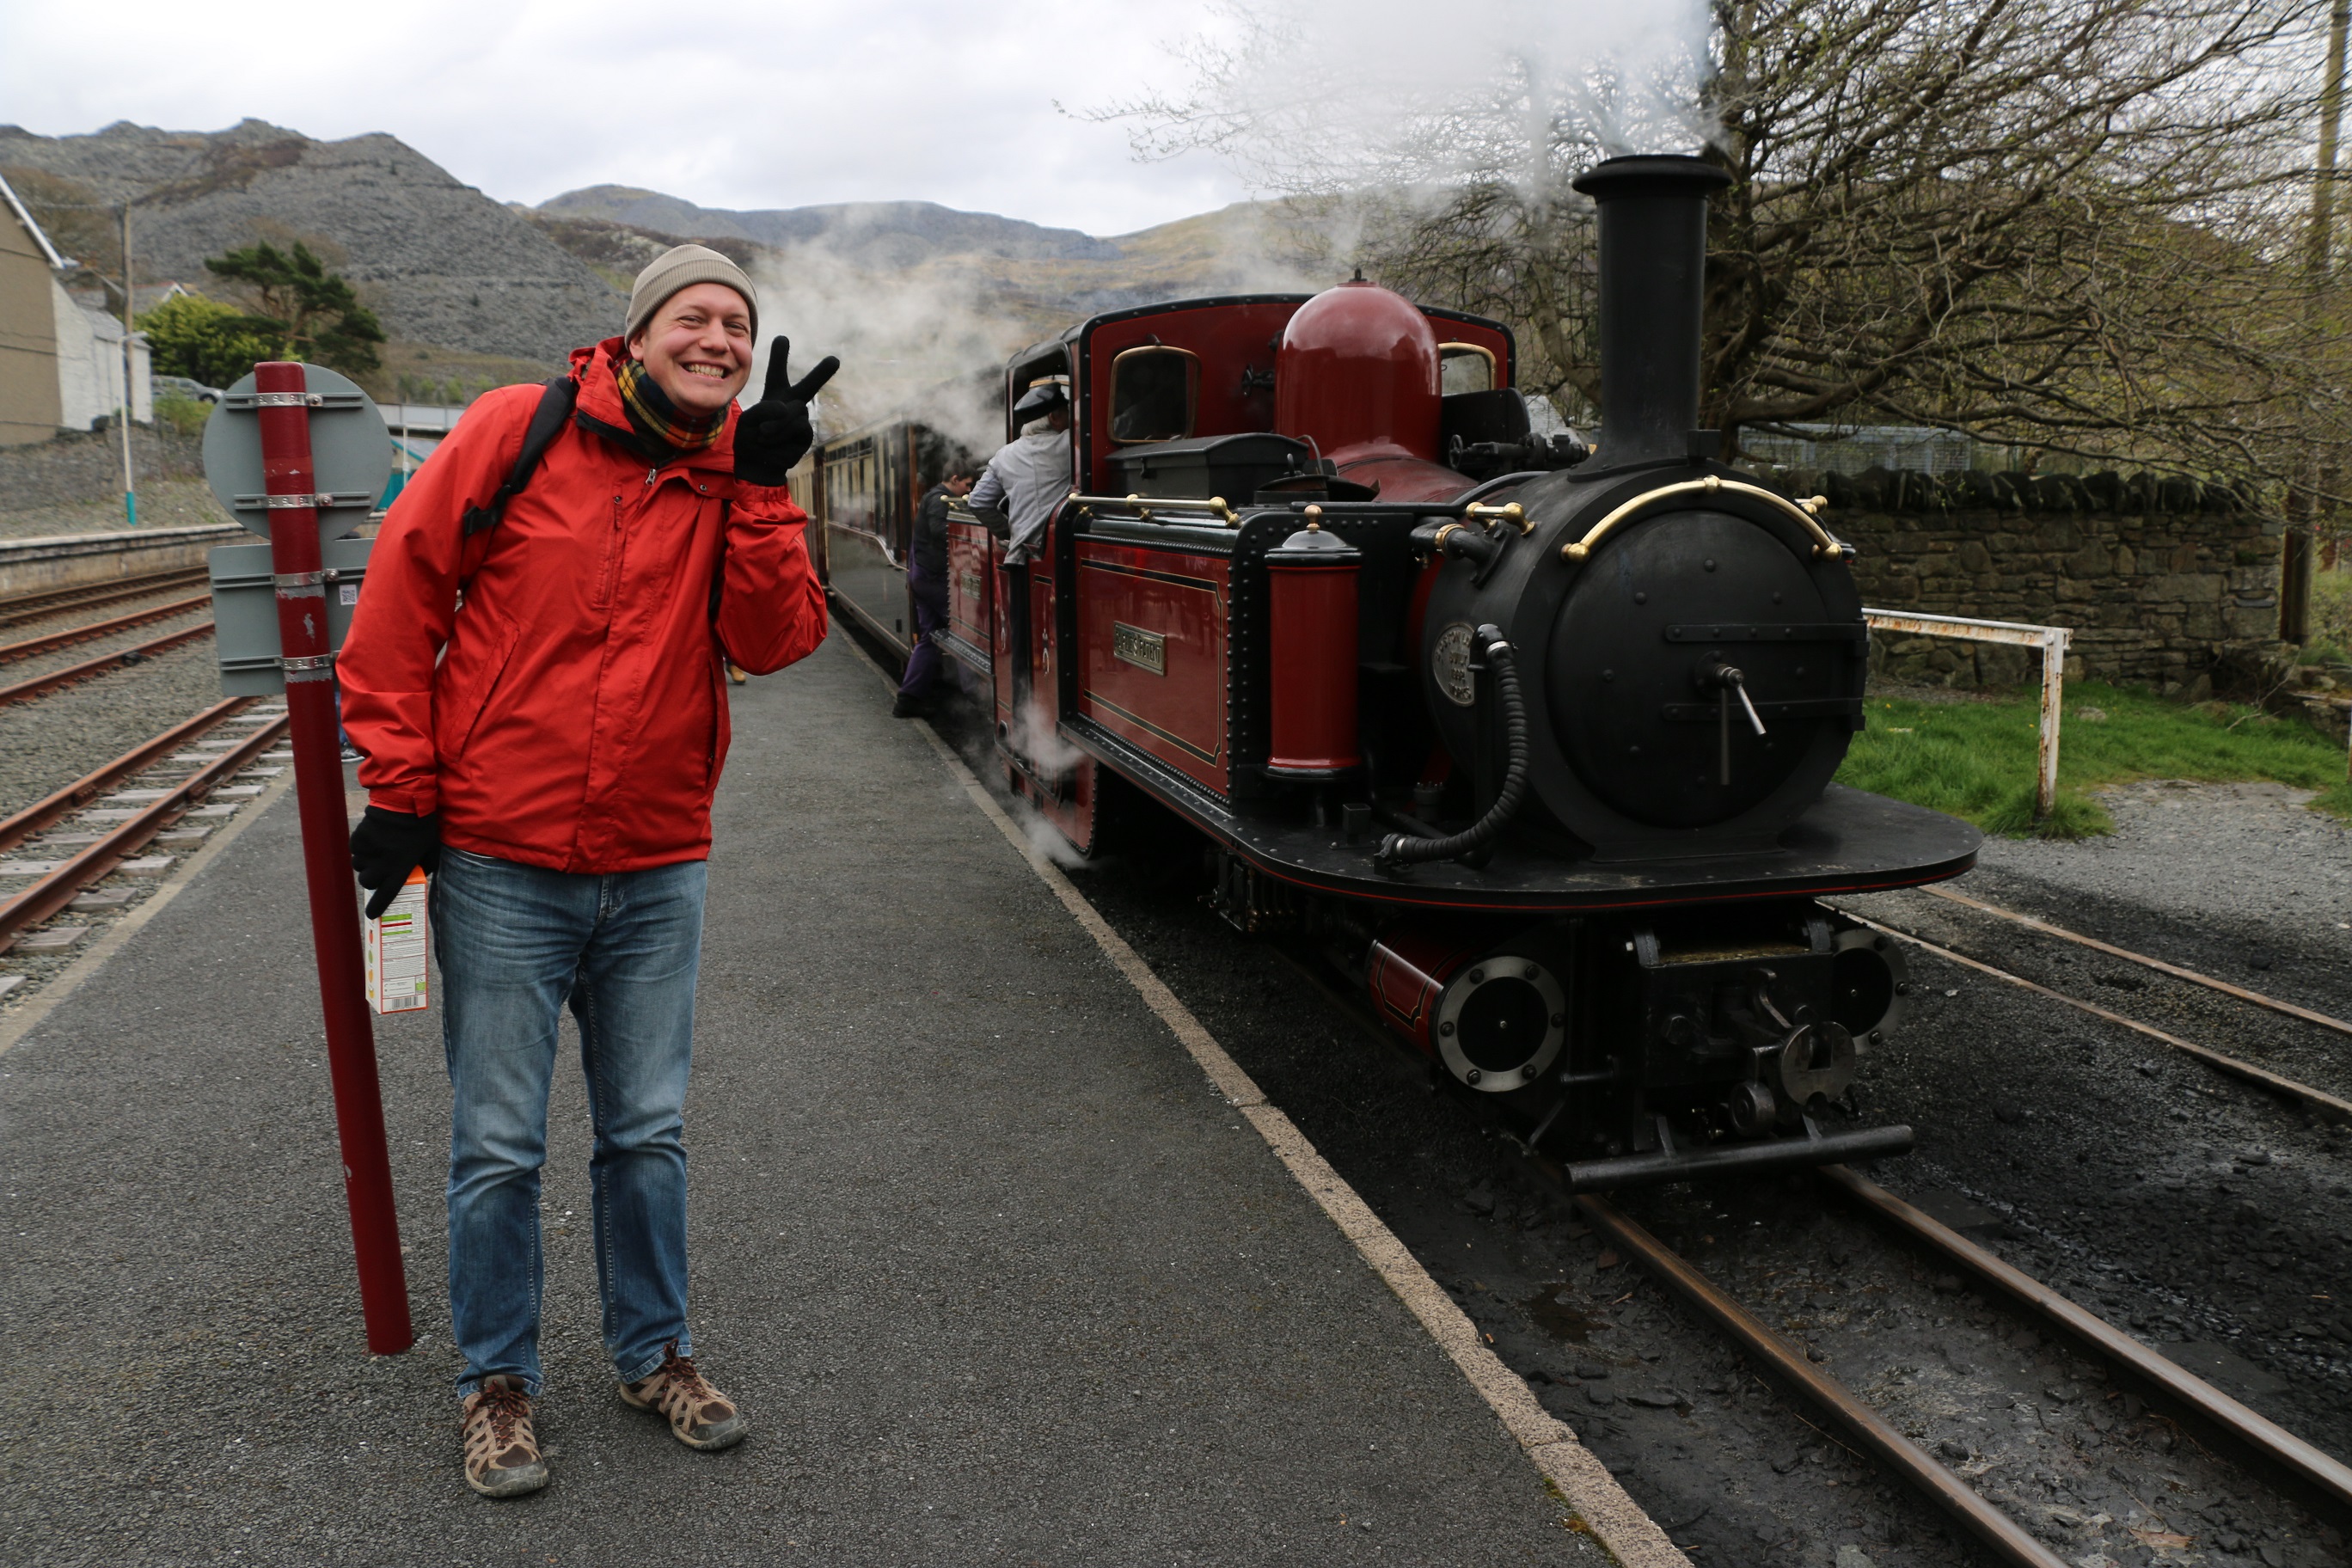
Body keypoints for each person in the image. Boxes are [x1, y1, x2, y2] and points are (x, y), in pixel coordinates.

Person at [337, 244, 835, 1499]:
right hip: (504, 856)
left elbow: (775, 644)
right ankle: (496, 1387)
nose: (717, 338)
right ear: (637, 333)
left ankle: (653, 1352)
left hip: (660, 858)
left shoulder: (738, 474)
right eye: (693, 317)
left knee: (647, 1133)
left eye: (736, 322)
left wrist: (770, 492)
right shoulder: (520, 430)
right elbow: (401, 597)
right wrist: (399, 786)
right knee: (499, 1143)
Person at [969, 381, 1071, 714]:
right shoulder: (1071, 446)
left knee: (1021, 644)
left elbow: (980, 503)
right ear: (1055, 417)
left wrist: (1010, 533)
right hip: (1061, 560)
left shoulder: (1005, 454)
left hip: (1019, 560)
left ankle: (1023, 718)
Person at [892, 466, 976, 718]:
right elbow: (941, 532)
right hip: (934, 578)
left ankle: (907, 699)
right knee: (965, 631)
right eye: (968, 485)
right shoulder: (940, 500)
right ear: (955, 479)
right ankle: (976, 695)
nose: (969, 490)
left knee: (928, 638)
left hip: (922, 577)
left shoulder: (931, 496)